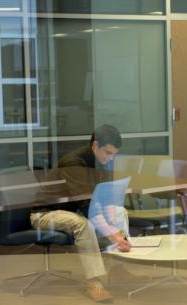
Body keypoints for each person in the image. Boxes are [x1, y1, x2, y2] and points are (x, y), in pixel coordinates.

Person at [30, 124, 131, 302]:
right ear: (95, 145)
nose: (110, 157)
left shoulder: (104, 161)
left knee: (120, 211)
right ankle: (95, 284)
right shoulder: (74, 163)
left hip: (74, 211)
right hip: (45, 213)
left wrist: (113, 223)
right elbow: (88, 206)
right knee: (82, 224)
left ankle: (117, 267)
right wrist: (111, 233)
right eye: (108, 152)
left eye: (114, 154)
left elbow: (106, 197)